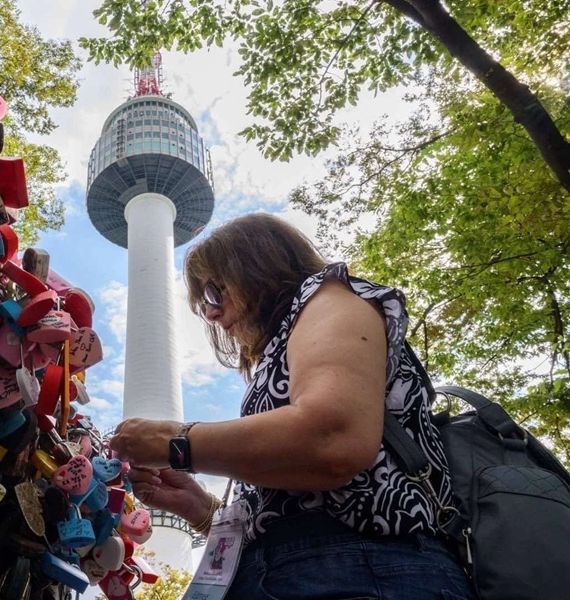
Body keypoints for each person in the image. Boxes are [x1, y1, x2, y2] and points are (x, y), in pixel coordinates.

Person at [109, 213, 476, 599]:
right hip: (318, 571)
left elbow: (331, 438)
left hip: (359, 571)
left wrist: (177, 442)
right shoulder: (286, 347)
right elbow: (292, 508)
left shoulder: (333, 298)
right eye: (204, 306)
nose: (213, 315)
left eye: (215, 294)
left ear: (256, 268)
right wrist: (200, 507)